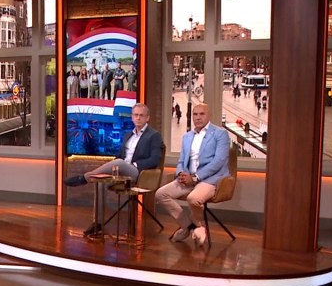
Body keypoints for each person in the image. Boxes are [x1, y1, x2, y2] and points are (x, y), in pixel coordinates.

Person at [64, 103, 163, 236]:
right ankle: (98, 223)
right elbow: (119, 156)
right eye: (136, 115)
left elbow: (155, 159)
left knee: (119, 163)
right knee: (100, 183)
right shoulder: (128, 135)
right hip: (121, 170)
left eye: (141, 115)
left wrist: (134, 165)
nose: (138, 118)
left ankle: (84, 178)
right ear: (132, 117)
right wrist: (115, 167)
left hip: (139, 173)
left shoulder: (154, 135)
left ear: (147, 118)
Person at [155, 102, 230, 247]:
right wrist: (181, 173)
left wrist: (195, 177)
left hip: (209, 179)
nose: (198, 117)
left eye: (202, 114)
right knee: (160, 194)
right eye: (195, 114)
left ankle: (194, 225)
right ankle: (189, 227)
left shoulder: (220, 134)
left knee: (193, 198)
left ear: (209, 115)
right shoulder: (187, 136)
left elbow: (219, 162)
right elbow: (181, 160)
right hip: (188, 178)